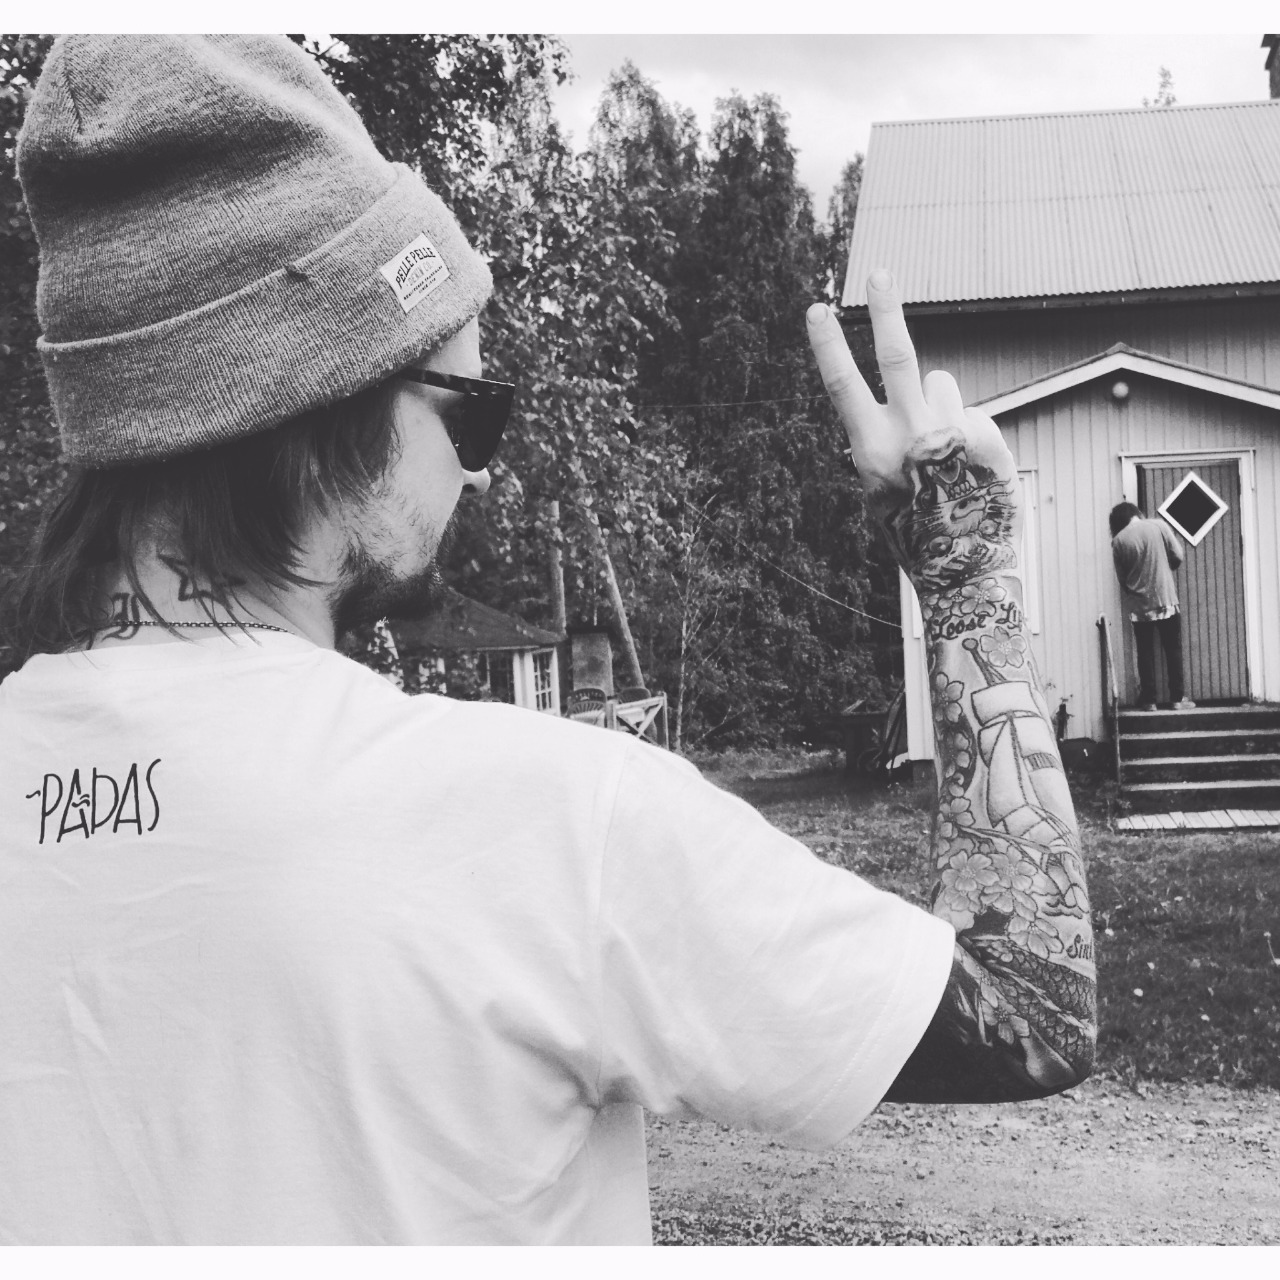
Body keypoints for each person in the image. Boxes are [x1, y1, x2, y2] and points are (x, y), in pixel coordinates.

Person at [0, 35, 1095, 1244]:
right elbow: (1033, 1009)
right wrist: (965, 567)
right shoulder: (539, 822)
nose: (479, 475)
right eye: (474, 414)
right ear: (320, 404)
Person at [1109, 501, 1195, 712]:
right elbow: (1177, 556)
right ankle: (1177, 699)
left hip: (1139, 605)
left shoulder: (1118, 541)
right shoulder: (1158, 525)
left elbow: (1122, 579)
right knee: (1172, 648)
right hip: (1165, 598)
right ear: (1136, 513)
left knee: (1145, 651)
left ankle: (1149, 701)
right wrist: (1165, 567)